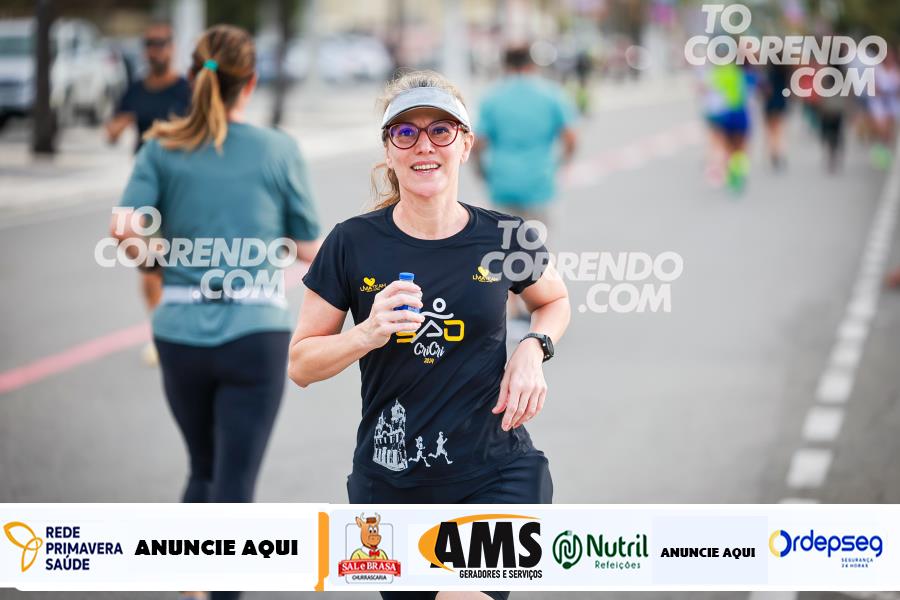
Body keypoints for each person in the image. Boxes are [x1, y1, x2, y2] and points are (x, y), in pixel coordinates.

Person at [289, 71, 570, 600]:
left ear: (465, 144)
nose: (424, 145)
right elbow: (301, 365)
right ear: (388, 150)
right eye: (406, 132)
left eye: (441, 130)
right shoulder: (351, 243)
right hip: (391, 487)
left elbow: (553, 300)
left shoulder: (507, 237)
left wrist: (534, 348)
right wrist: (367, 333)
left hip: (496, 474)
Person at [110, 25, 320, 600]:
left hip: (179, 333)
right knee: (235, 483)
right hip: (255, 333)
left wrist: (158, 257)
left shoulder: (160, 146)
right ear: (250, 82)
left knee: (202, 468)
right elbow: (308, 247)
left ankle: (191, 582)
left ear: (193, 77)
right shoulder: (278, 149)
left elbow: (124, 229)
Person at [105, 21, 192, 366]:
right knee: (151, 267)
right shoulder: (135, 89)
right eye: (150, 43)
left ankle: (185, 322)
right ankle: (161, 331)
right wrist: (117, 126)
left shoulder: (185, 90)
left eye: (161, 43)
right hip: (147, 189)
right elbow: (112, 130)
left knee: (185, 258)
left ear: (172, 47)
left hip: (183, 186)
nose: (155, 49)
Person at [473, 46, 577, 226]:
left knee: (503, 241)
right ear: (532, 64)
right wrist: (560, 165)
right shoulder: (551, 94)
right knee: (539, 241)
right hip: (541, 182)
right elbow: (570, 138)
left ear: (505, 65)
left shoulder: (492, 97)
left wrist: (483, 174)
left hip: (503, 184)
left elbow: (476, 145)